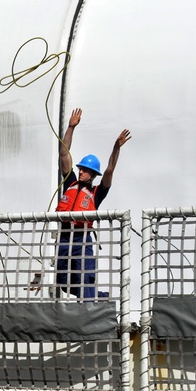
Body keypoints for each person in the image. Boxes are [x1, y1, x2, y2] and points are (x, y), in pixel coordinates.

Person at [55, 107, 131, 299]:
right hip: (65, 237)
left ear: (93, 174)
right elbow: (64, 154)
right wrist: (71, 127)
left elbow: (110, 170)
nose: (81, 172)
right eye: (80, 168)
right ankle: (100, 296)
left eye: (85, 170)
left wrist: (116, 148)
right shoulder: (70, 183)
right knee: (63, 281)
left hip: (82, 239)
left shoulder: (97, 193)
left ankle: (92, 304)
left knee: (84, 280)